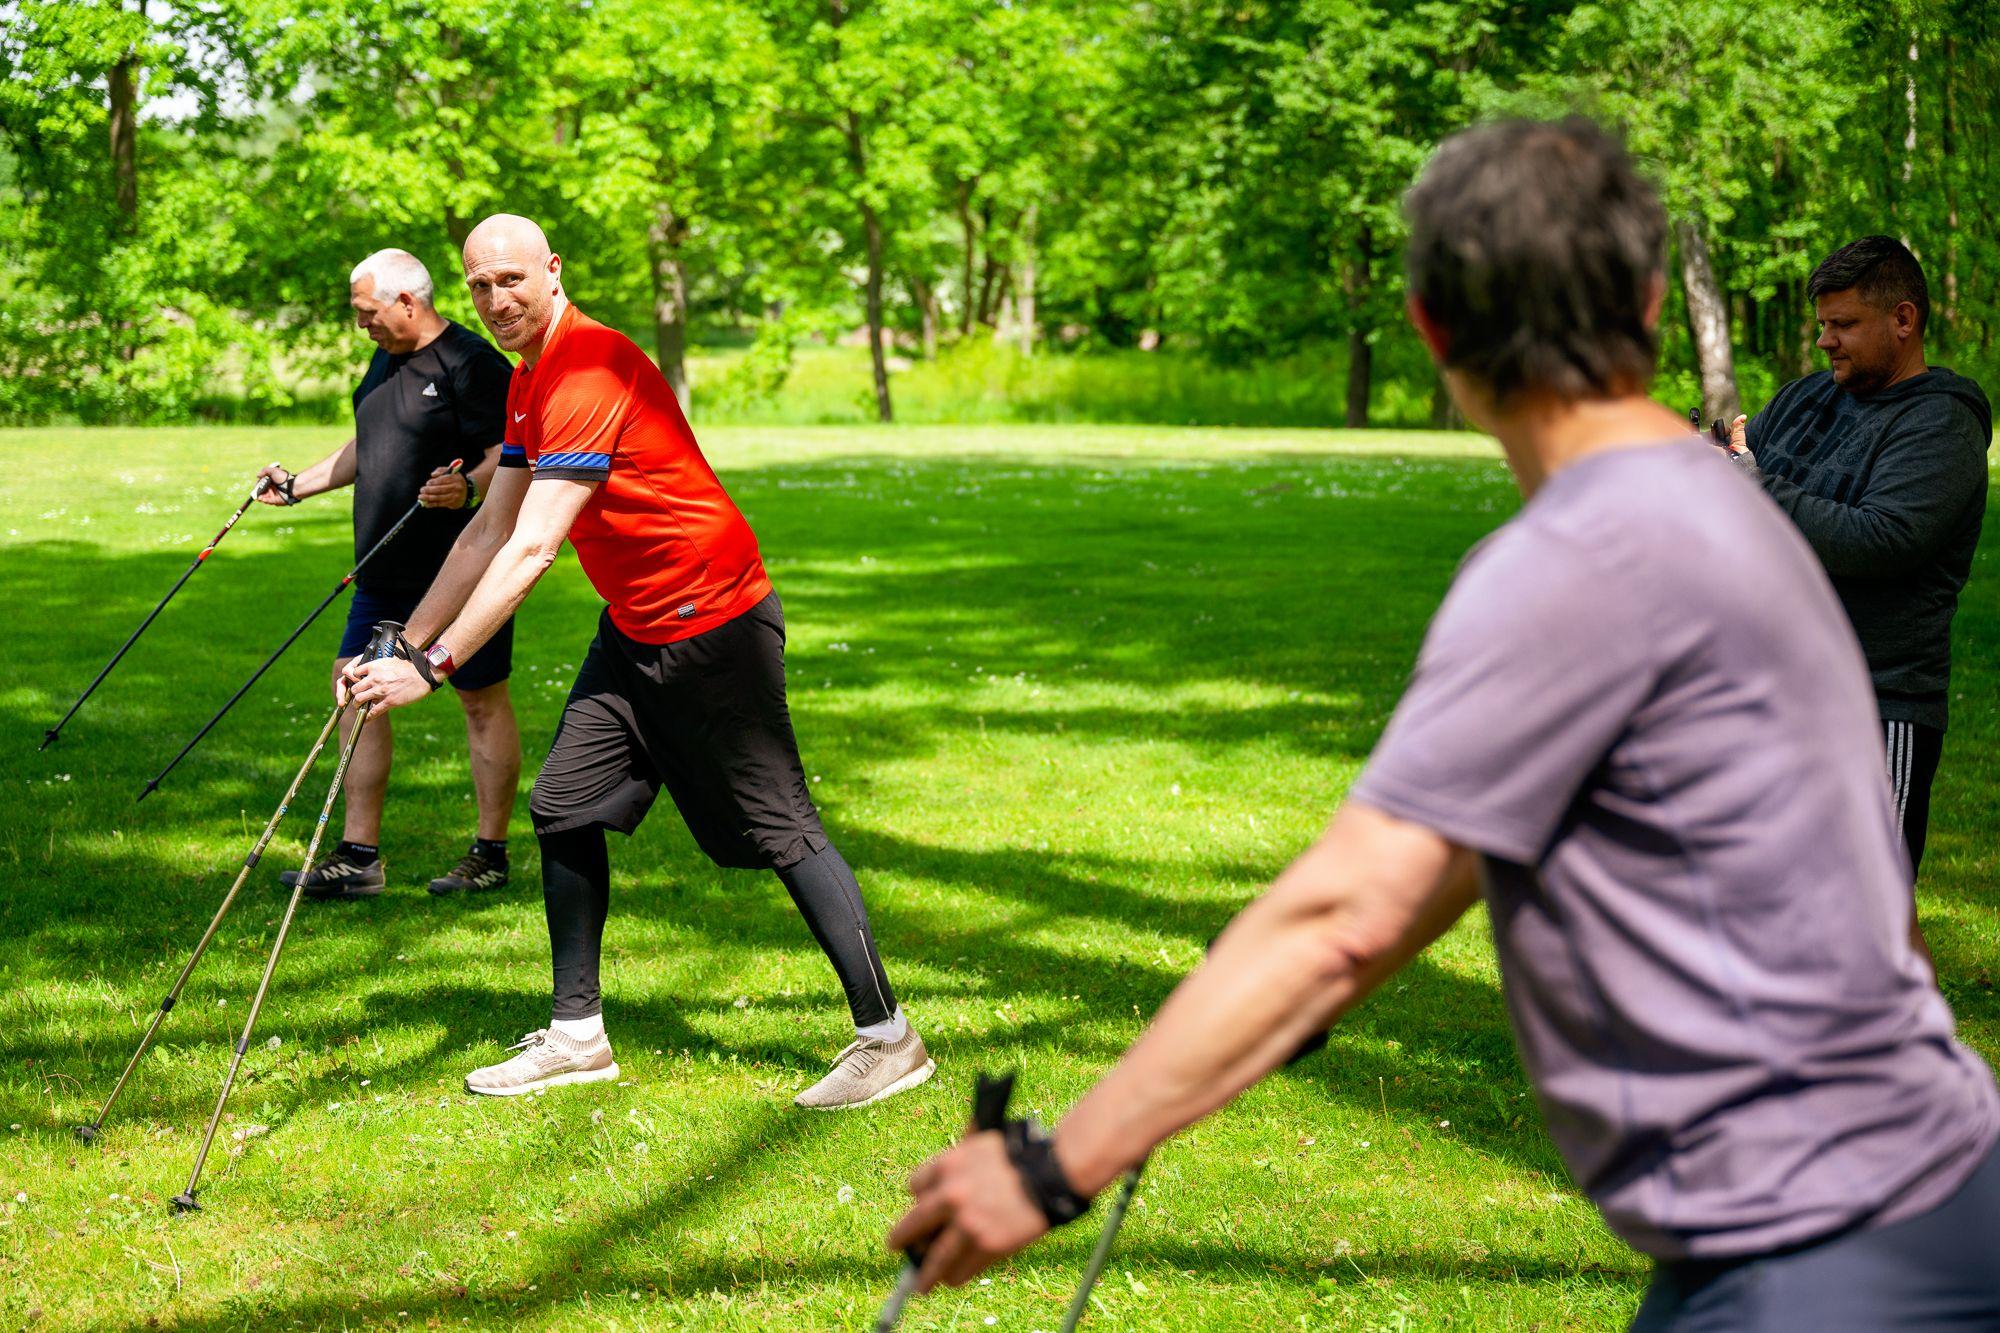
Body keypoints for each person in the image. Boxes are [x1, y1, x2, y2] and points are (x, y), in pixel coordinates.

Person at [886, 119, 2000, 1329]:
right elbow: (1425, 892)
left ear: (1429, 327)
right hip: (1919, 1196)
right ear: (1639, 304)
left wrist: (1053, 1167)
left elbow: (1343, 918)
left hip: (1821, 1256)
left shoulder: (1580, 558)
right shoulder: (1722, 514)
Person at [341, 215, 933, 1109]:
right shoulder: (531, 377)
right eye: (479, 286)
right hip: (638, 621)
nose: (496, 300)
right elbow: (487, 527)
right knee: (566, 803)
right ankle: (578, 1035)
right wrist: (404, 642)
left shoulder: (589, 366)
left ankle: (889, 1037)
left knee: (781, 826)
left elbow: (535, 547)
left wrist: (436, 664)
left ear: (552, 270)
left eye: (510, 279)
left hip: (713, 621)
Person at [1719, 236, 1991, 886]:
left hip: (1874, 706)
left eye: (1844, 325)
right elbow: (1730, 476)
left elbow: (1879, 539)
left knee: (1866, 925)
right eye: (1822, 325)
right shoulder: (1806, 397)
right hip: (1768, 690)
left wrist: (1744, 482)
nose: (1825, 341)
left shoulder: (1941, 425)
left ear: (1904, 320)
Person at [257, 249, 522, 901]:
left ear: (409, 301)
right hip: (381, 566)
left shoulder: (472, 363)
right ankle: (359, 857)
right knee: (355, 689)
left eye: (367, 313)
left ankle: (490, 853)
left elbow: (512, 454)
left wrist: (466, 486)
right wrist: (298, 485)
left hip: (459, 571)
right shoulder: (385, 358)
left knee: (478, 700)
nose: (362, 326)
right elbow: (368, 443)